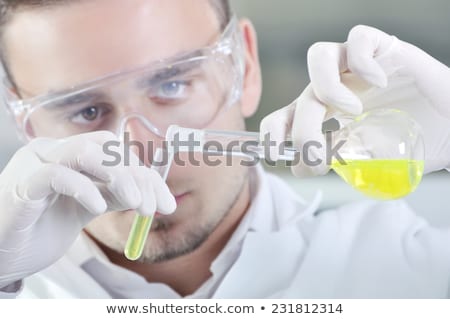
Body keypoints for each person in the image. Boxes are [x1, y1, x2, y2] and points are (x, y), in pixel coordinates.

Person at [0, 0, 450, 298]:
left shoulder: (408, 269)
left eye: (173, 83)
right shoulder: (17, 285)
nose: (144, 149)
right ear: (26, 126)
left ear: (246, 66)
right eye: (84, 110)